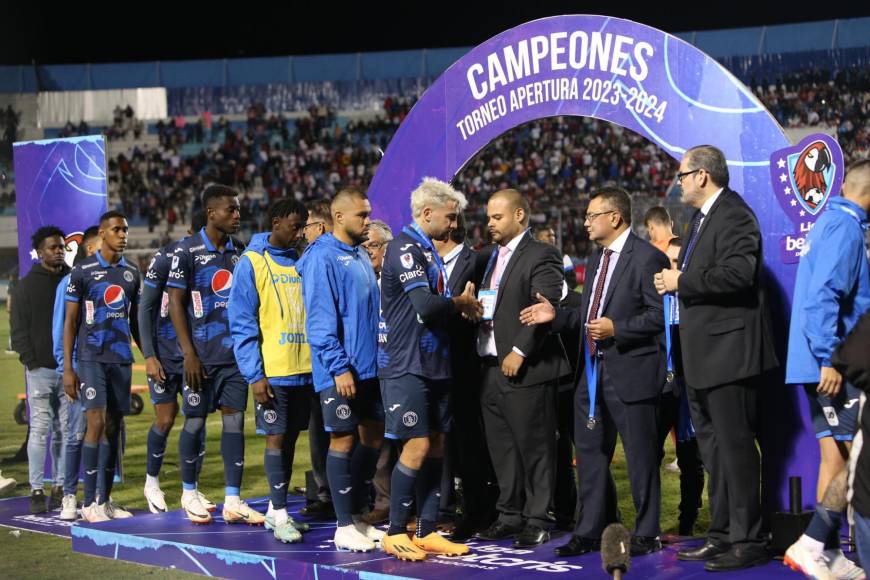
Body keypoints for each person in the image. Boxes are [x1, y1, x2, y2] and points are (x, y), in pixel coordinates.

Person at [522, 187, 668, 556]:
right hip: (590, 375)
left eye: (591, 215)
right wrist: (557, 316)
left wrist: (618, 328)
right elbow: (589, 317)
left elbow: (658, 317)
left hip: (630, 374)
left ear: (614, 217)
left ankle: (647, 532)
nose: (585, 222)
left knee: (640, 457)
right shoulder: (597, 257)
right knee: (588, 457)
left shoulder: (647, 258)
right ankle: (589, 531)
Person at [654, 145, 778, 572]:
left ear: (703, 175)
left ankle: (749, 538)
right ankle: (723, 533)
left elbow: (740, 273)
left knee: (736, 447)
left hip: (730, 353)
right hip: (704, 353)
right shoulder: (701, 219)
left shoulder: (735, 214)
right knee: (713, 450)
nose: (679, 181)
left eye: (683, 174)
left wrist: (681, 280)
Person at [378, 178, 482, 561]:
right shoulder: (405, 249)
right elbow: (424, 304)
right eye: (450, 217)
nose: (454, 225)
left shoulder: (428, 251)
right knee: (417, 444)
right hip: (407, 365)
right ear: (427, 214)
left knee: (437, 443)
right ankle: (393, 531)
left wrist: (457, 305)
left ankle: (427, 529)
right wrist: (460, 302)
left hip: (435, 363)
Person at [784, 159, 870, 579]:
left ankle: (827, 552)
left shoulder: (828, 222)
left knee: (835, 456)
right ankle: (815, 544)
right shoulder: (847, 227)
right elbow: (824, 296)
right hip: (832, 362)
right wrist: (827, 358)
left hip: (822, 359)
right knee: (853, 459)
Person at [472, 189, 568, 549]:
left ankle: (539, 518)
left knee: (536, 449)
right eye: (488, 217)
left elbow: (545, 308)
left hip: (525, 370)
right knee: (503, 450)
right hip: (490, 369)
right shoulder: (488, 258)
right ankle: (510, 515)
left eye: (497, 217)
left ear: (519, 216)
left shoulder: (542, 254)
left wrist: (518, 351)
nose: (490, 224)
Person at [168, 184, 262, 525]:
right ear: (212, 213)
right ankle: (189, 492)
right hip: (200, 359)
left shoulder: (239, 251)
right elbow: (176, 304)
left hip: (234, 357)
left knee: (234, 424)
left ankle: (233, 499)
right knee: (194, 422)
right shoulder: (187, 251)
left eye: (238, 210)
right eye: (231, 210)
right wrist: (188, 353)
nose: (237, 215)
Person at [297, 187, 385, 552]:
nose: (367, 222)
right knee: (343, 439)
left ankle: (358, 517)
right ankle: (344, 523)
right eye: (362, 215)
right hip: (341, 371)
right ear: (338, 217)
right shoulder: (322, 258)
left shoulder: (358, 254)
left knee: (374, 437)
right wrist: (338, 368)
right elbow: (319, 321)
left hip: (368, 369)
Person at [230, 198, 313, 544]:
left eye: (303, 227)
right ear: (276, 222)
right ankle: (278, 512)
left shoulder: (300, 260)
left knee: (291, 440)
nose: (299, 233)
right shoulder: (251, 262)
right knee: (276, 440)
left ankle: (276, 511)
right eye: (295, 226)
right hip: (273, 373)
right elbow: (242, 322)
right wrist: (255, 375)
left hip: (304, 370)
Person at [62, 211, 141, 523]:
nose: (123, 235)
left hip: (120, 359)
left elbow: (136, 321)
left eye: (125, 229)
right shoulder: (82, 271)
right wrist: (68, 368)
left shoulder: (132, 273)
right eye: (117, 229)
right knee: (95, 422)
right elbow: (70, 321)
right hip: (91, 358)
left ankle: (104, 500)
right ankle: (89, 503)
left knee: (113, 426)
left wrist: (150, 356)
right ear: (102, 234)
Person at [138, 212, 213, 514]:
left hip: (199, 355)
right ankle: (151, 481)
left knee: (198, 420)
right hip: (166, 357)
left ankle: (191, 489)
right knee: (166, 419)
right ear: (192, 231)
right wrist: (149, 356)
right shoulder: (167, 256)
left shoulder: (218, 257)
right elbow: (145, 308)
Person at [431, 213, 497, 540]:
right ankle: (440, 508)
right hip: (428, 363)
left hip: (465, 364)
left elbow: (486, 308)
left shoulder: (479, 260)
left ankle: (477, 511)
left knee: (468, 440)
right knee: (437, 440)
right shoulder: (421, 260)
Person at [12, 226, 70, 514]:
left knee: (63, 432)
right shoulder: (25, 285)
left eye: (61, 246)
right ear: (40, 251)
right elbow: (18, 329)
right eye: (52, 247)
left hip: (69, 372)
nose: (58, 250)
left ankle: (59, 487)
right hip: (40, 371)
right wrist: (31, 361)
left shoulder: (73, 280)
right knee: (39, 431)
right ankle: (37, 489)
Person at [56, 227, 103, 521]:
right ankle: (69, 497)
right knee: (75, 435)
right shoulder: (70, 282)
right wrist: (67, 370)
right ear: (89, 249)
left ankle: (97, 498)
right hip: (79, 370)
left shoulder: (114, 277)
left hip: (103, 369)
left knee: (102, 433)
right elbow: (62, 328)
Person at [299, 199, 335, 519]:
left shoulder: (317, 256)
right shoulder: (342, 254)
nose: (303, 232)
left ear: (320, 227)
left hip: (325, 361)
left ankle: (329, 495)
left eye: (307, 226)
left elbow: (320, 315)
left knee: (325, 431)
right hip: (332, 359)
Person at [361, 219, 398, 526]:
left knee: (408, 440)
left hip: (399, 369)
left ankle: (408, 504)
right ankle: (384, 501)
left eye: (373, 244)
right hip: (371, 372)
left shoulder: (398, 277)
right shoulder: (361, 278)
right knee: (379, 444)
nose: (367, 251)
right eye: (363, 246)